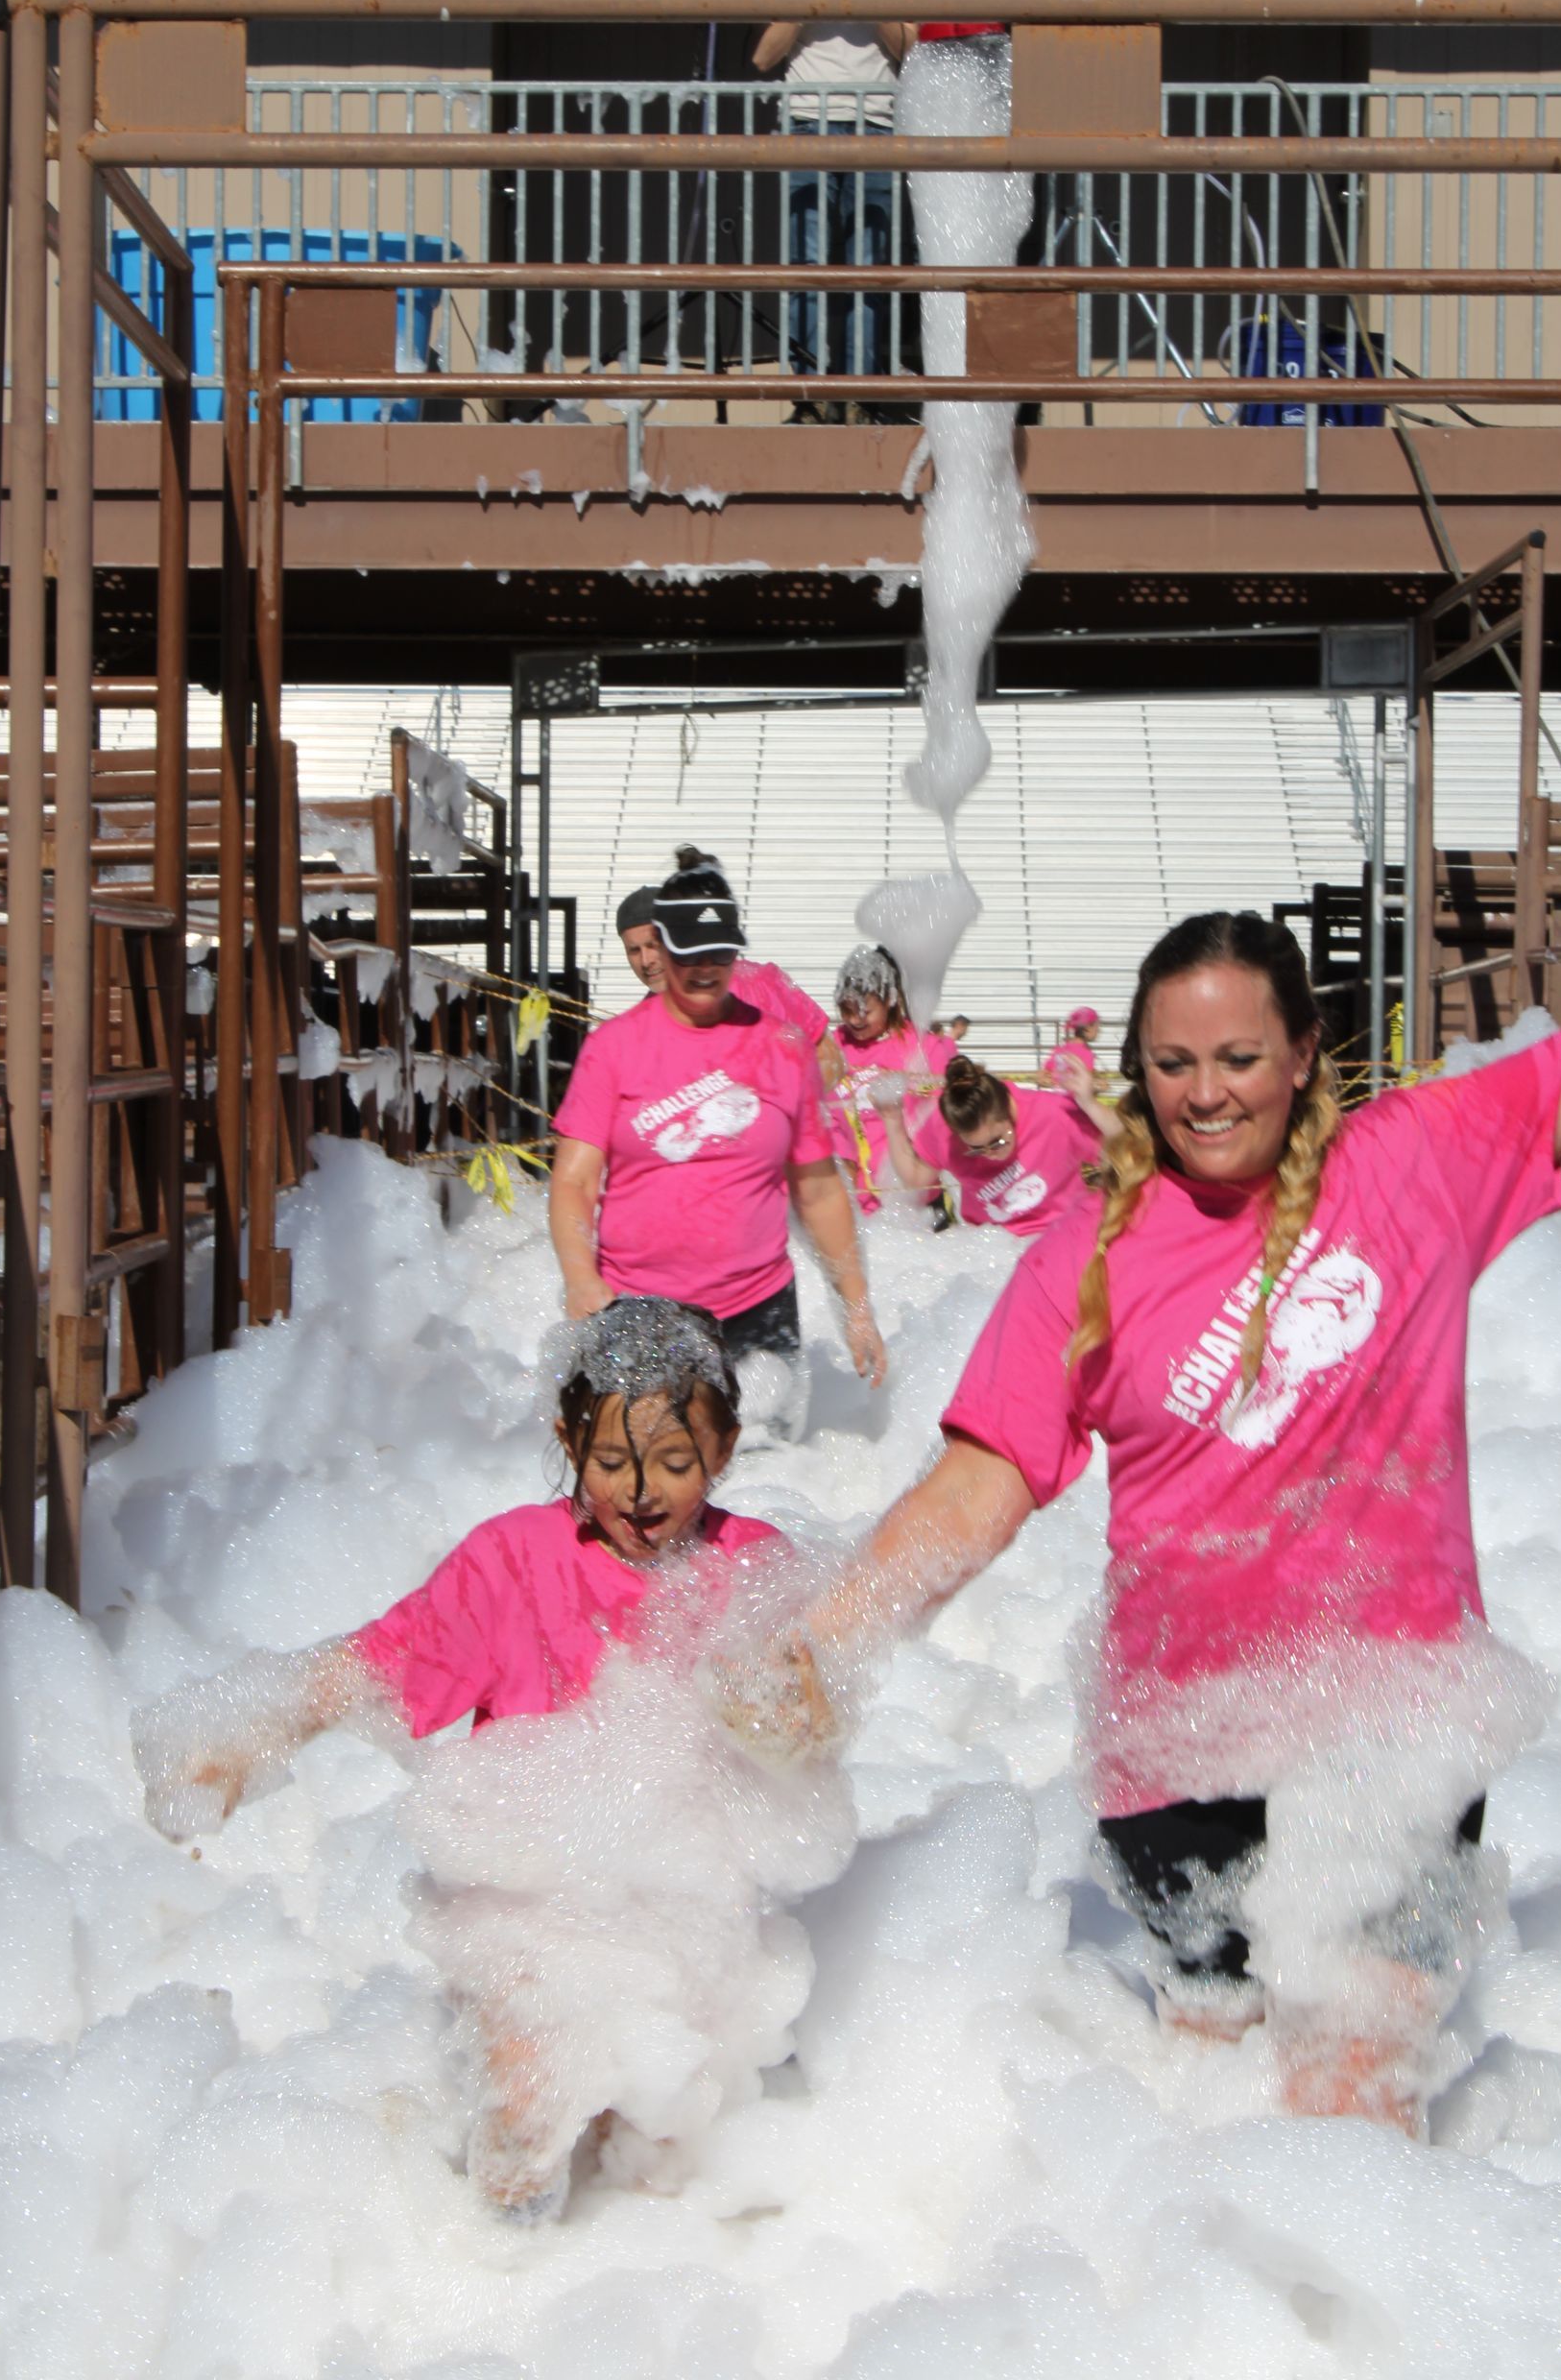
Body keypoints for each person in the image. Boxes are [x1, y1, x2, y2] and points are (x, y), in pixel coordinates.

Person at [753, 875, 1561, 2130]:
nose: (1204, 1094)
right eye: (1173, 1064)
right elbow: (974, 1490)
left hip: (1394, 1722)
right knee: (1215, 2120)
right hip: (1180, 1744)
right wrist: (823, 1646)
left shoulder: (1420, 1163)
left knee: (1350, 2112)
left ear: (1304, 1053)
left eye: (1237, 1058)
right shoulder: (1089, 1257)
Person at [133, 1297, 799, 2216]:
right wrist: (249, 1733)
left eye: (676, 1464)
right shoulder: (513, 1562)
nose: (641, 1493)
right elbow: (384, 1659)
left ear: (724, 1450)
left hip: (685, 1905)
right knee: (527, 2110)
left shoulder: (756, 1569)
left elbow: (805, 1726)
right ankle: (496, 2263)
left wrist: (789, 1711)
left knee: (659, 2149)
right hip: (523, 1902)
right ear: (568, 1442)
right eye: (610, 1463)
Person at [553, 853, 886, 1422]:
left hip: (758, 1311)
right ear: (662, 947)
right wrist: (580, 1278)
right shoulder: (613, 1048)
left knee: (767, 1465)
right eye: (689, 954)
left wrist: (856, 1307)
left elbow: (819, 1191)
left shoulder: (781, 1047)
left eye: (720, 953)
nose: (706, 969)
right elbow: (574, 1181)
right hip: (639, 1308)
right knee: (645, 1463)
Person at [753, 0, 908, 419]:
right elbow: (764, 56)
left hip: (877, 125)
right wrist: (810, 4)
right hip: (807, 124)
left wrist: (867, 1)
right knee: (809, 266)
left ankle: (864, 396)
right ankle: (811, 398)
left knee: (870, 268)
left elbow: (911, 50)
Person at [615, 856, 845, 1091]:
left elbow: (828, 1057)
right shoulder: (638, 1029)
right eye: (634, 950)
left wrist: (774, 1102)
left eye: (652, 946)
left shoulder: (759, 983)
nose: (646, 961)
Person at [885, 1049, 1114, 1236]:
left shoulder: (1051, 1115)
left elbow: (1126, 1141)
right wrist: (892, 1120)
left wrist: (1089, 1103)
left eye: (997, 1142)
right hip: (990, 1243)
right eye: (976, 1149)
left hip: (1059, 1233)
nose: (990, 1154)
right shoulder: (944, 1131)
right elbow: (916, 1180)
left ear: (1010, 1113)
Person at [828, 942, 955, 1212]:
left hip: (913, 1196)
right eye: (847, 1010)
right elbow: (825, 1115)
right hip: (854, 1197)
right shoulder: (833, 1048)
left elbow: (941, 1115)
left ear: (889, 1001)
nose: (855, 1020)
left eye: (865, 1011)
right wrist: (842, 1160)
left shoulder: (922, 1047)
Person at [1043, 1004, 1101, 1085]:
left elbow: (1044, 1075)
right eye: (1097, 1027)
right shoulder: (1086, 1054)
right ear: (1087, 1028)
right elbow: (1087, 1085)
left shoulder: (1059, 1049)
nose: (1098, 1031)